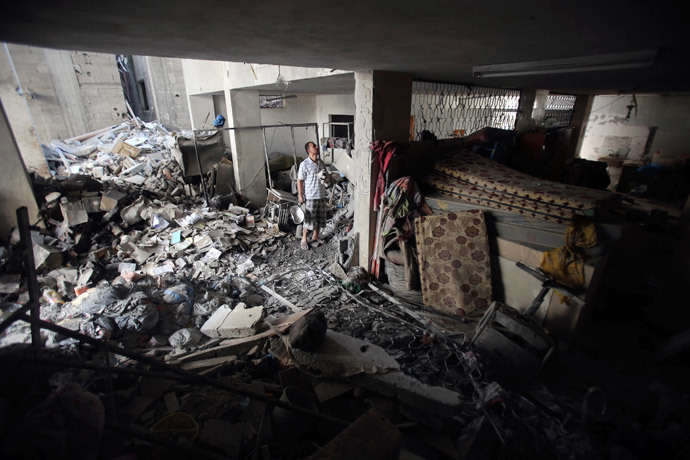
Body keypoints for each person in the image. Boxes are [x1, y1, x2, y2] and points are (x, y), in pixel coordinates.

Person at [297, 141, 328, 250]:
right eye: (314, 146)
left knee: (319, 218)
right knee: (309, 220)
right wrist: (300, 195)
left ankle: (315, 237)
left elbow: (325, 176)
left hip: (321, 195)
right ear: (309, 150)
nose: (317, 147)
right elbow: (300, 180)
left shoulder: (321, 162)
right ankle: (304, 239)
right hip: (310, 196)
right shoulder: (304, 164)